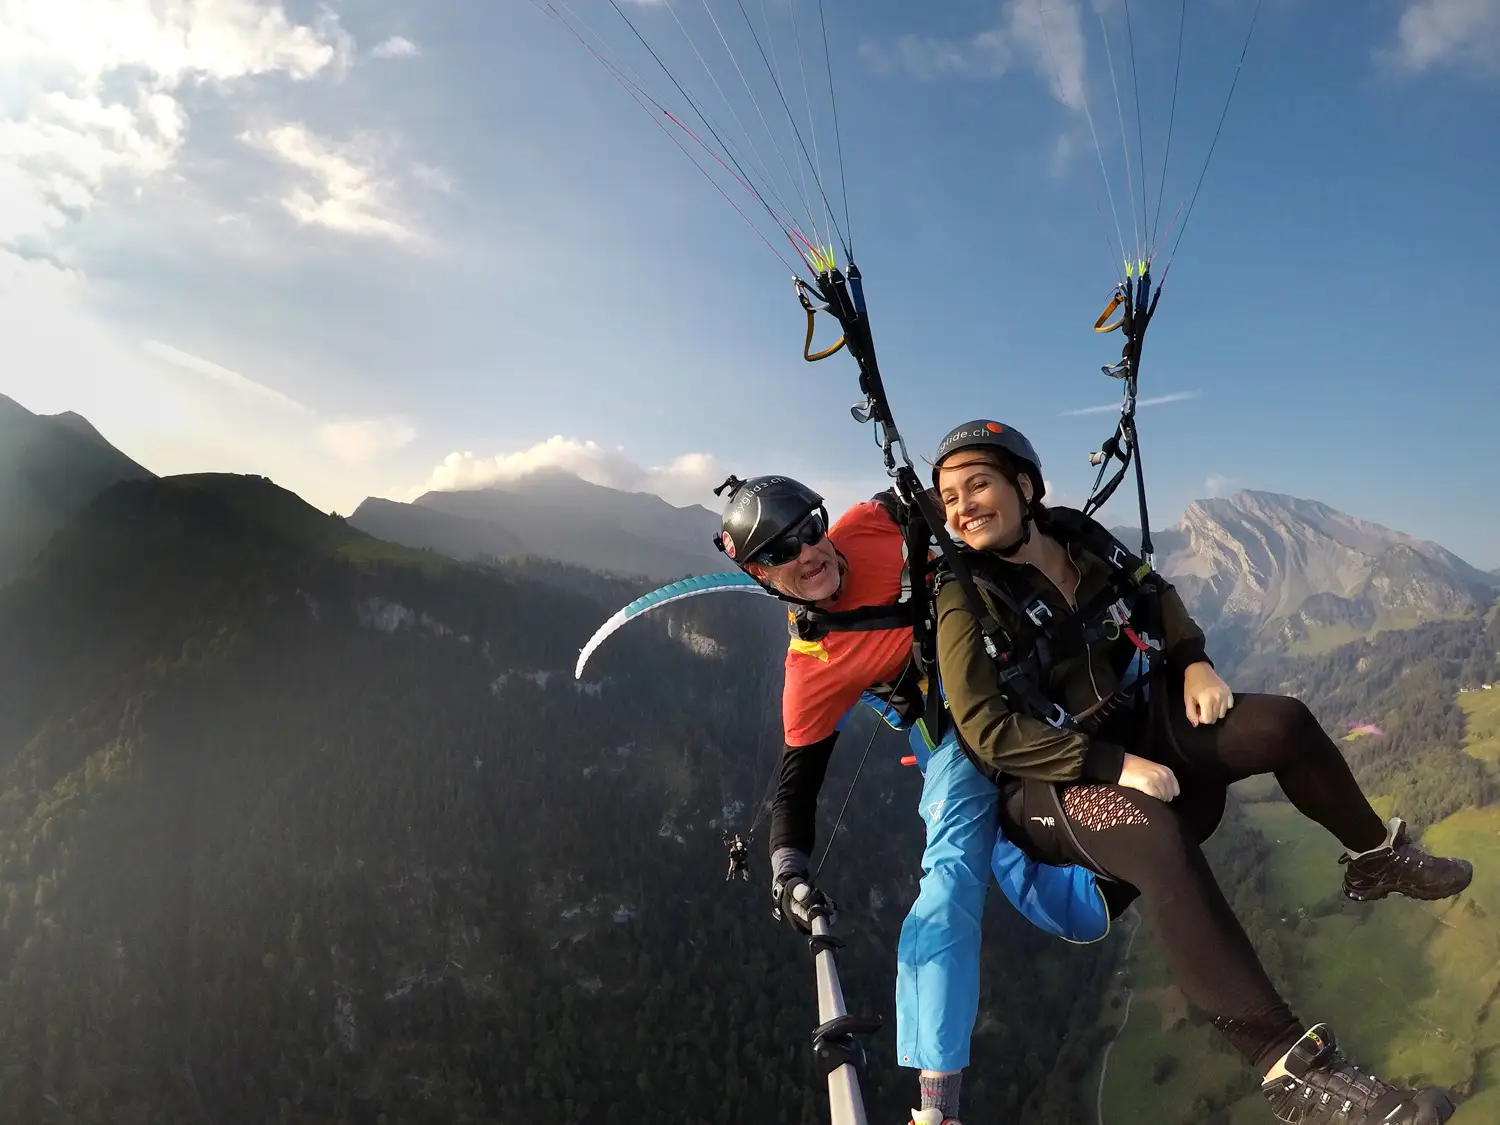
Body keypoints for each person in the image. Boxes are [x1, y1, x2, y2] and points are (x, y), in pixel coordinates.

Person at [928, 418, 1474, 1125]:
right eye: (949, 498)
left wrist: (1192, 660)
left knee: (1282, 723)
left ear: (1025, 486)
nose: (962, 507)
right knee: (1154, 834)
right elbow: (987, 729)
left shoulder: (1078, 538)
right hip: (1050, 781)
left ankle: (1376, 858)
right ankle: (1289, 1071)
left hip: (1137, 723)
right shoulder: (962, 596)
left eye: (978, 485)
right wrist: (1111, 764)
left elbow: (1153, 593)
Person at [714, 473, 1105, 1125]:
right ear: (760, 573)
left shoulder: (872, 522)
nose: (807, 553)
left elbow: (938, 501)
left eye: (809, 529)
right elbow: (796, 787)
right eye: (781, 551)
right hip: (953, 735)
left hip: (1017, 670)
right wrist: (787, 872)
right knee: (959, 878)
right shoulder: (812, 669)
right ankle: (938, 1104)